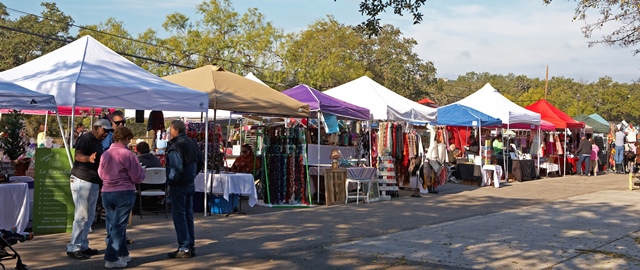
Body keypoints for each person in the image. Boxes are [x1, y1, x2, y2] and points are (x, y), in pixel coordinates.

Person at [98, 126, 145, 268]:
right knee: (118, 227)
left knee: (116, 225)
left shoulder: (105, 154)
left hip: (107, 192)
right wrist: (142, 173)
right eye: (128, 139)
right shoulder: (128, 154)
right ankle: (111, 258)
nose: (129, 142)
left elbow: (100, 173)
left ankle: (123, 254)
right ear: (125, 139)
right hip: (124, 192)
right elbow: (137, 177)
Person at [66, 119, 112, 260]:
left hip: (92, 181)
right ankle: (74, 247)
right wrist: (88, 158)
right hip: (82, 179)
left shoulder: (97, 141)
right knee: (82, 215)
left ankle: (82, 245)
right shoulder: (86, 138)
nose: (106, 134)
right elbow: (77, 155)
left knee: (89, 215)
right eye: (105, 130)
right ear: (96, 127)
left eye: (109, 131)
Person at [165, 120, 203, 259]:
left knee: (180, 215)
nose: (170, 132)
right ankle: (189, 245)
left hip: (180, 184)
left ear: (175, 130)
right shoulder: (192, 143)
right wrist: (191, 175)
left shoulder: (177, 145)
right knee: (188, 215)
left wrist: (171, 181)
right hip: (189, 182)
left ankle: (184, 246)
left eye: (171, 130)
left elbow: (176, 167)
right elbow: (200, 163)